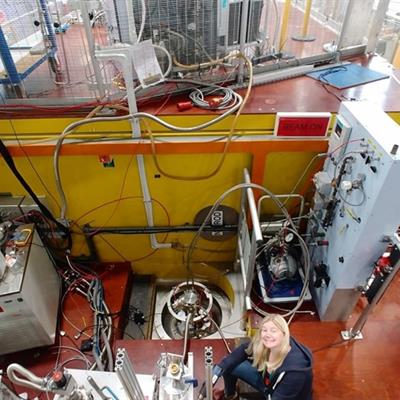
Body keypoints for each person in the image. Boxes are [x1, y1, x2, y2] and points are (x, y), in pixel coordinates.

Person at [213, 314, 313, 400]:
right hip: (266, 383)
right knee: (230, 365)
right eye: (264, 330)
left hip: (278, 395)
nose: (268, 335)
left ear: (284, 334)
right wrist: (218, 370)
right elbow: (244, 349)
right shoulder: (264, 343)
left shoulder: (295, 372)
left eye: (273, 331)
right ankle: (230, 396)